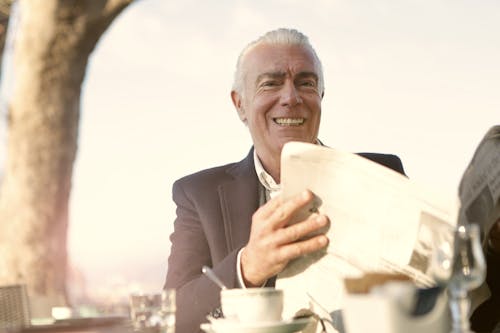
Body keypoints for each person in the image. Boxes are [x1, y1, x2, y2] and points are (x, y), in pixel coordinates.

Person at [164, 28, 405, 333]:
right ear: (240, 104)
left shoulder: (380, 173)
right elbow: (173, 317)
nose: (291, 97)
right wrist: (247, 267)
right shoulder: (198, 194)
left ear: (320, 97)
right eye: (271, 84)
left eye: (306, 83)